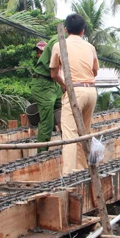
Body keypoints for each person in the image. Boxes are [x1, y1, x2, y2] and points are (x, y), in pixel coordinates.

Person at [50, 13, 99, 174]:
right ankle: (84, 169)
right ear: (83, 31)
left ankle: (69, 174)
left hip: (75, 91)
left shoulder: (59, 45)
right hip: (91, 91)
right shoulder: (90, 47)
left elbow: (54, 73)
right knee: (85, 132)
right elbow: (94, 72)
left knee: (70, 135)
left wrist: (65, 84)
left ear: (65, 29)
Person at [31, 37, 63, 153]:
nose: (39, 54)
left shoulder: (55, 51)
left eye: (41, 52)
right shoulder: (45, 64)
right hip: (43, 85)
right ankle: (42, 153)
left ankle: (68, 145)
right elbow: (54, 72)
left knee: (64, 113)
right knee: (47, 122)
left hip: (54, 83)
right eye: (38, 52)